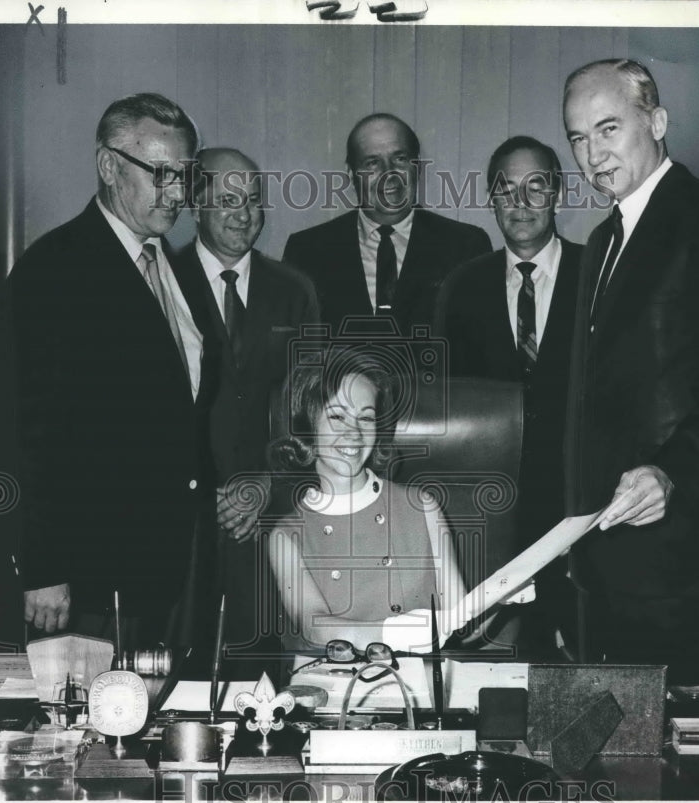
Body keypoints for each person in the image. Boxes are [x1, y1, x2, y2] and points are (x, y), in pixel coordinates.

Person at [561, 59, 699, 676]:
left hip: (690, 568)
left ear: (655, 122)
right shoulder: (603, 240)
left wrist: (673, 472)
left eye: (607, 129)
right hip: (610, 568)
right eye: (577, 137)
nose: (592, 154)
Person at [9, 92, 213, 649]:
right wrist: (44, 567)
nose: (177, 194)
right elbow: (32, 433)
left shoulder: (170, 263)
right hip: (91, 581)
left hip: (167, 566)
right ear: (109, 166)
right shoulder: (55, 269)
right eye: (162, 174)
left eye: (186, 176)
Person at [173, 147, 319, 677]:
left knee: (258, 682)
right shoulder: (161, 280)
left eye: (254, 200)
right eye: (228, 199)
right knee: (175, 681)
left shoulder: (294, 291)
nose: (245, 213)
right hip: (181, 525)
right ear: (195, 203)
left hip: (267, 521)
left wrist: (267, 480)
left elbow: (309, 409)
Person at [435, 136, 583, 656]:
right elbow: (446, 400)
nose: (520, 203)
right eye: (506, 190)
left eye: (535, 187)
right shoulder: (461, 286)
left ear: (558, 193)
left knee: (576, 658)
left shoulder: (598, 278)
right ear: (491, 199)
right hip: (487, 508)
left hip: (578, 507)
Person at [267, 350, 468, 657]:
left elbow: (461, 620)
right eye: (337, 416)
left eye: (366, 417)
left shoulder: (422, 507)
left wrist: (500, 596)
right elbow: (315, 626)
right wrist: (396, 633)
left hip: (423, 680)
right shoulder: (286, 535)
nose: (355, 433)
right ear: (306, 426)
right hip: (335, 687)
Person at [282, 113, 491, 337]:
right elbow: (294, 350)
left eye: (399, 158)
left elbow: (480, 345)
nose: (388, 173)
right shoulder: (306, 251)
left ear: (417, 166)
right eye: (372, 162)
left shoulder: (466, 246)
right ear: (351, 174)